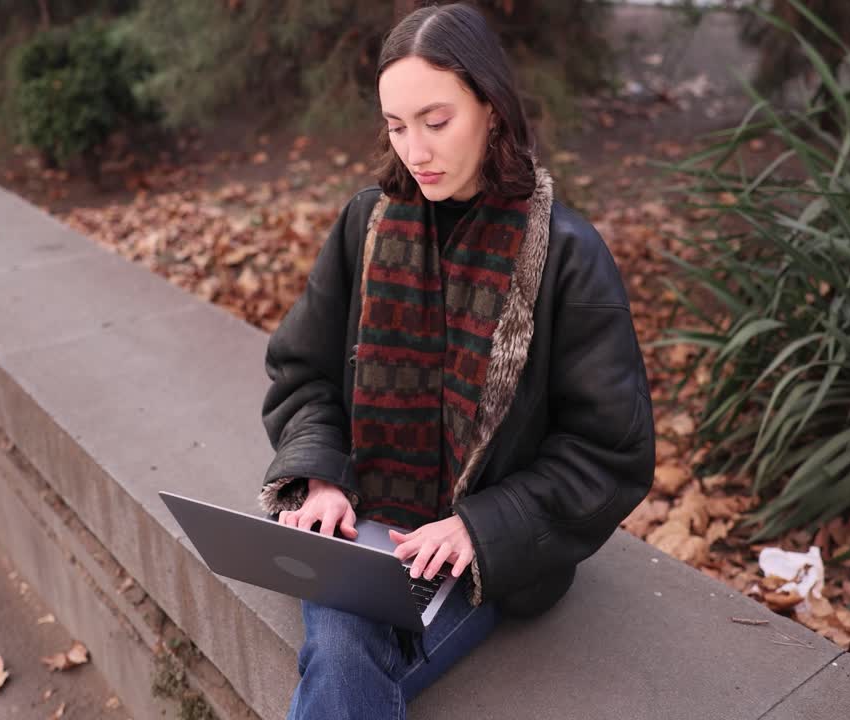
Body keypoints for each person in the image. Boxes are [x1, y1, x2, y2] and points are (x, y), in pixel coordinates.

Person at [257, 3, 655, 718]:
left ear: (492, 110)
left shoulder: (566, 254)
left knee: (341, 658)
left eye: (436, 122)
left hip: (487, 559)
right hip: (364, 522)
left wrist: (480, 525)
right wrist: (319, 476)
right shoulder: (366, 224)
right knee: (346, 651)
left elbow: (609, 452)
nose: (416, 150)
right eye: (396, 126)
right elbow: (302, 373)